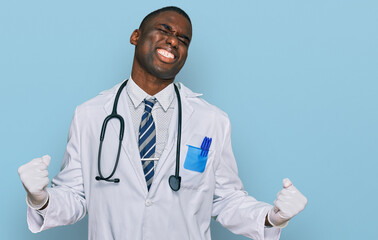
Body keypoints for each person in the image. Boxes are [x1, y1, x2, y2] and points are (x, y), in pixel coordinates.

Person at [18, 6, 307, 240]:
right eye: (165, 30)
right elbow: (76, 197)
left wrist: (272, 217)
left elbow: (225, 200)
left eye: (183, 39)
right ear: (135, 36)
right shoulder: (90, 115)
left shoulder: (211, 121)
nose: (173, 41)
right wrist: (40, 198)